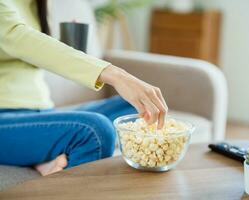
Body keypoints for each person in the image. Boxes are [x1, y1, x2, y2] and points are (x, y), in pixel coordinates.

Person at [0, 0, 168, 176]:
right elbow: (20, 39)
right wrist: (118, 76)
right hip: (4, 118)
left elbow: (39, 50)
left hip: (39, 113)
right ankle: (45, 159)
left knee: (135, 107)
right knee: (95, 130)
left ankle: (43, 157)